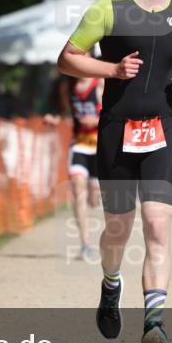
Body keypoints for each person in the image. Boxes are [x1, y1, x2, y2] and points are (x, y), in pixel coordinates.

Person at [57, 0, 172, 343]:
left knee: (157, 226)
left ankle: (154, 325)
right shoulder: (108, 9)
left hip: (163, 131)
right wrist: (112, 69)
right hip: (117, 131)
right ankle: (111, 283)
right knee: (118, 229)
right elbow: (67, 58)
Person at [67, 75, 103, 262]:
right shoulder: (69, 86)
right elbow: (67, 112)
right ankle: (85, 245)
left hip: (99, 146)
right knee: (77, 192)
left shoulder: (99, 84)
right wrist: (55, 118)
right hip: (79, 145)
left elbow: (112, 113)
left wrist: (95, 121)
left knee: (94, 200)